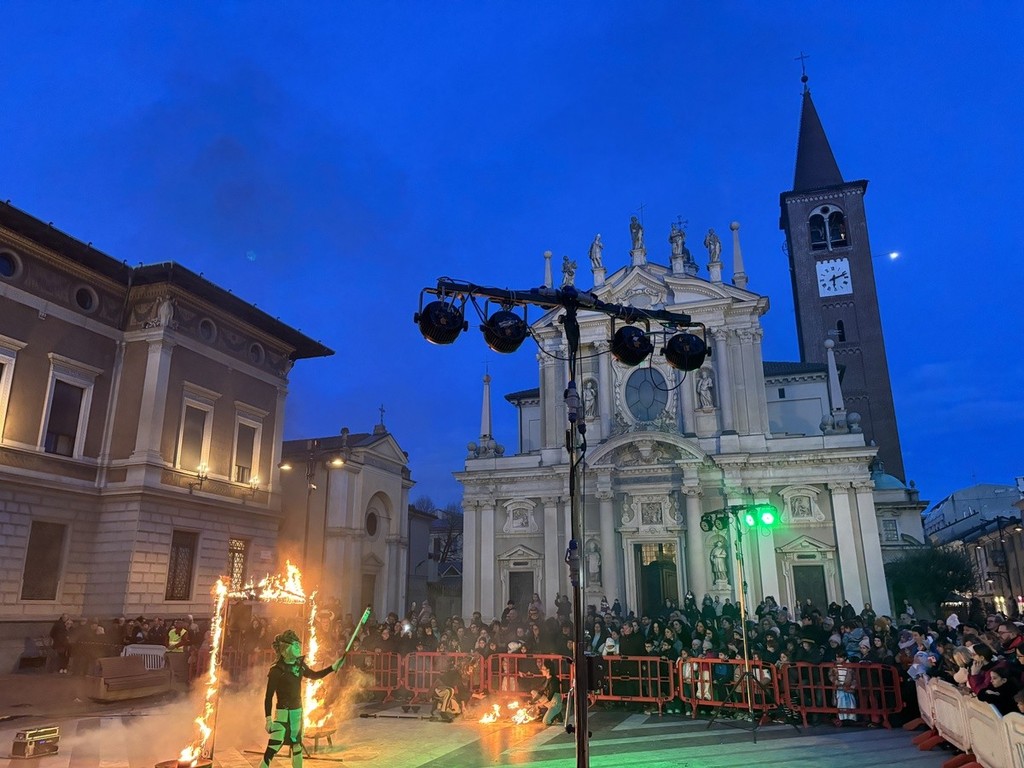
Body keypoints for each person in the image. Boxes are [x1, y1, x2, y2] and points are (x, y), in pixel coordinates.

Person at [260, 629, 346, 768]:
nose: (299, 647)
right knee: (273, 747)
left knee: (297, 746)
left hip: (297, 713)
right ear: (285, 648)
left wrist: (333, 667)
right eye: (295, 645)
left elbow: (314, 675)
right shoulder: (276, 670)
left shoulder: (299, 665)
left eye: (298, 644)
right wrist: (268, 719)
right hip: (282, 715)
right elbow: (268, 696)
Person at [530, 660, 563, 726]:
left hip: (555, 704)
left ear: (548, 670)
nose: (541, 670)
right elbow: (541, 692)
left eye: (543, 669)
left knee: (546, 721)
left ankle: (556, 714)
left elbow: (550, 697)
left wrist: (538, 704)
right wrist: (532, 702)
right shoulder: (547, 679)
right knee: (533, 692)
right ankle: (548, 713)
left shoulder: (554, 681)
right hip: (550, 702)